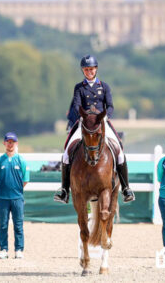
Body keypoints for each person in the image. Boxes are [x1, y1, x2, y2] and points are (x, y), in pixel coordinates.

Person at [53, 55, 135, 204]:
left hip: (101, 122)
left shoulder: (104, 86)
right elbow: (77, 105)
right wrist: (83, 117)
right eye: (86, 69)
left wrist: (105, 117)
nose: (88, 71)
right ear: (83, 71)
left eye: (91, 69)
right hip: (84, 123)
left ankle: (126, 188)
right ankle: (64, 190)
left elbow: (110, 106)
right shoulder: (79, 87)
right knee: (66, 153)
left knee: (120, 152)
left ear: (96, 69)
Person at [0, 132, 29, 259]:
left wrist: (16, 190)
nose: (10, 144)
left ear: (16, 143)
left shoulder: (21, 160)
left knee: (18, 225)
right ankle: (3, 249)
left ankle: (19, 250)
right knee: (3, 225)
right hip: (2, 198)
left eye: (12, 142)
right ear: (4, 143)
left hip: (17, 198)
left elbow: (25, 180)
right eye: (8, 141)